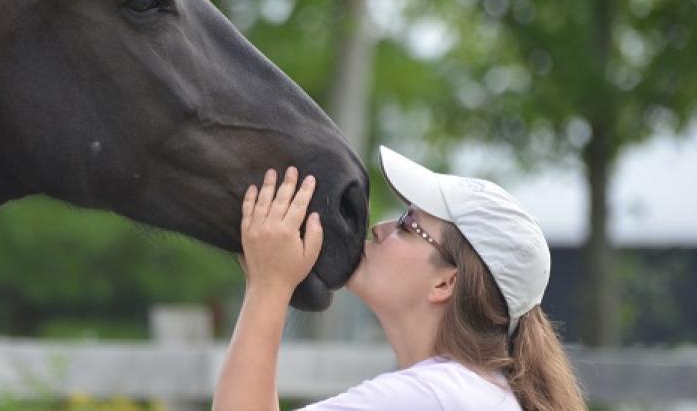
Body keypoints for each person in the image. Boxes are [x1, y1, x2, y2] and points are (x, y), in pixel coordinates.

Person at [212, 146, 586, 411]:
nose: (379, 228)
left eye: (408, 225)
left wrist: (268, 286)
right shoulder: (478, 392)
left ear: (445, 283)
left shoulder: (434, 396)